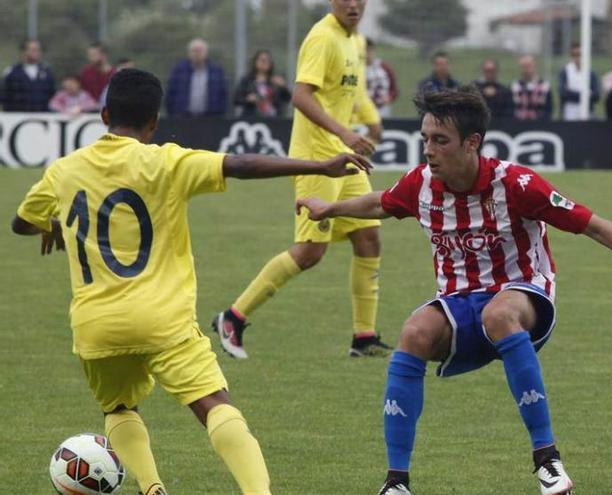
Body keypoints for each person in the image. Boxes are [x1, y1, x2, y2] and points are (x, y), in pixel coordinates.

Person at [295, 86, 612, 495]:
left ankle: (548, 461)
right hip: (459, 303)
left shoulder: (516, 185)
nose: (428, 149)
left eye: (440, 140)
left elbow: (595, 226)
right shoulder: (420, 184)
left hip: (524, 295)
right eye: (425, 138)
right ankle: (396, 482)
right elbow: (379, 203)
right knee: (413, 332)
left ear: (471, 143)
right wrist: (330, 208)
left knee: (498, 314)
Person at [10, 68, 370, 495]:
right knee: (214, 406)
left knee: (120, 406)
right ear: (153, 123)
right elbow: (242, 164)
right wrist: (320, 166)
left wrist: (51, 223)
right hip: (163, 319)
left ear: (103, 114)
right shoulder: (166, 160)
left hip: (96, 325)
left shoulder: (63, 171)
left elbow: (20, 223)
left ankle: (152, 488)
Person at [214, 0, 392, 359]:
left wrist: (371, 119)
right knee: (311, 252)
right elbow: (300, 95)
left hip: (345, 156)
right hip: (318, 158)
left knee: (369, 236)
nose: (355, 4)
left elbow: (353, 90)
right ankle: (232, 317)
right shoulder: (322, 37)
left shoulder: (355, 41)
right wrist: (346, 132)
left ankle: (364, 337)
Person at [165, 38, 228, 117]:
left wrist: (219, 113)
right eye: (194, 50)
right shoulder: (179, 70)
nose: (197, 53)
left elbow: (223, 94)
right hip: (183, 118)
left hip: (210, 118)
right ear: (189, 53)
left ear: (206, 52)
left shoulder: (216, 71)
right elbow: (170, 94)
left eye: (200, 50)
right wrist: (173, 114)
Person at [233, 49, 291, 117]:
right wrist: (248, 99)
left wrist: (284, 86)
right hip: (252, 119)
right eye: (261, 60)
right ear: (255, 62)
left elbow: (287, 99)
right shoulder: (247, 80)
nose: (264, 63)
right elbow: (236, 99)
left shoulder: (276, 80)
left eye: (267, 60)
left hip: (274, 120)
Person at [1, 39, 55, 112]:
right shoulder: (12, 71)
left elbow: (52, 95)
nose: (37, 52)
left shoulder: (46, 71)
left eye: (38, 50)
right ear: (24, 52)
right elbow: (5, 96)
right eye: (33, 50)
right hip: (17, 117)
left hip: (42, 116)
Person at [558, 43, 600, 120]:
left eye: (580, 55)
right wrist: (587, 93)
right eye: (574, 55)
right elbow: (563, 93)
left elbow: (596, 95)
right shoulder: (565, 72)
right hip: (569, 114)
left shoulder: (591, 73)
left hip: (588, 113)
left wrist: (572, 92)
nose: (577, 58)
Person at [511, 54, 553, 121]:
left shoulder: (545, 86)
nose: (526, 69)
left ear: (535, 67)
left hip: (539, 126)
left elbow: (548, 111)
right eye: (523, 66)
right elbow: (511, 110)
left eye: (529, 66)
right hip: (518, 126)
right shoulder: (514, 87)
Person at [365, 38, 398, 118]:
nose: (366, 53)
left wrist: (389, 97)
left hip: (382, 110)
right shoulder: (356, 68)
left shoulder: (384, 67)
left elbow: (394, 90)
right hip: (363, 111)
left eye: (369, 50)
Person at [474, 58, 514, 122]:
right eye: (487, 70)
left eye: (492, 70)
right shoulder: (473, 89)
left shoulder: (505, 91)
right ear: (482, 70)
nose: (489, 73)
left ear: (497, 71)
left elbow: (508, 113)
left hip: (499, 128)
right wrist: (483, 93)